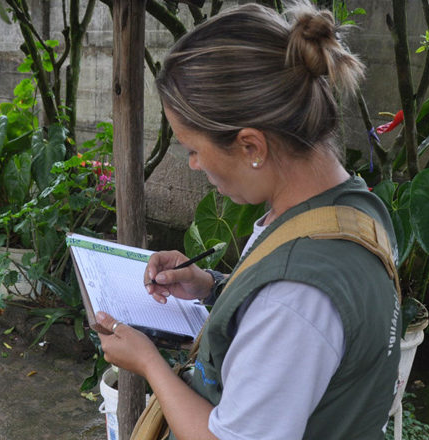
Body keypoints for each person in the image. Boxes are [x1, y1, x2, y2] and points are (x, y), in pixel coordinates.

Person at [96, 2, 401, 439]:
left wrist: (149, 363)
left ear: (252, 147)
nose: (195, 165)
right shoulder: (349, 208)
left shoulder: (294, 298)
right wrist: (210, 287)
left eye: (193, 148)